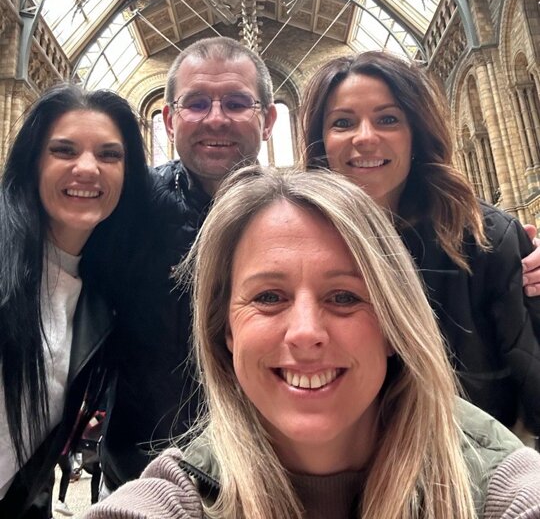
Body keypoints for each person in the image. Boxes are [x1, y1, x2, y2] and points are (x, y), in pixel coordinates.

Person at [85, 167, 540, 519]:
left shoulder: (497, 480)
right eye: (268, 297)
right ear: (226, 330)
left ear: (393, 325)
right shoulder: (177, 494)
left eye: (344, 297)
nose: (305, 332)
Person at [300, 51, 540, 435]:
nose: (365, 137)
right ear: (321, 141)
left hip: (468, 456)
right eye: (343, 122)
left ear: (415, 132)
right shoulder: (296, 242)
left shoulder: (487, 237)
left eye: (387, 119)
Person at [96, 36, 277, 492]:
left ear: (269, 120)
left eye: (236, 103)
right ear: (169, 120)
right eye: (196, 103)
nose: (216, 118)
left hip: (269, 471)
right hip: (140, 469)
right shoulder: (124, 205)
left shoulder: (297, 213)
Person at [0, 84, 150, 519]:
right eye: (64, 150)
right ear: (33, 162)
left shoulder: (99, 300)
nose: (87, 168)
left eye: (109, 155)